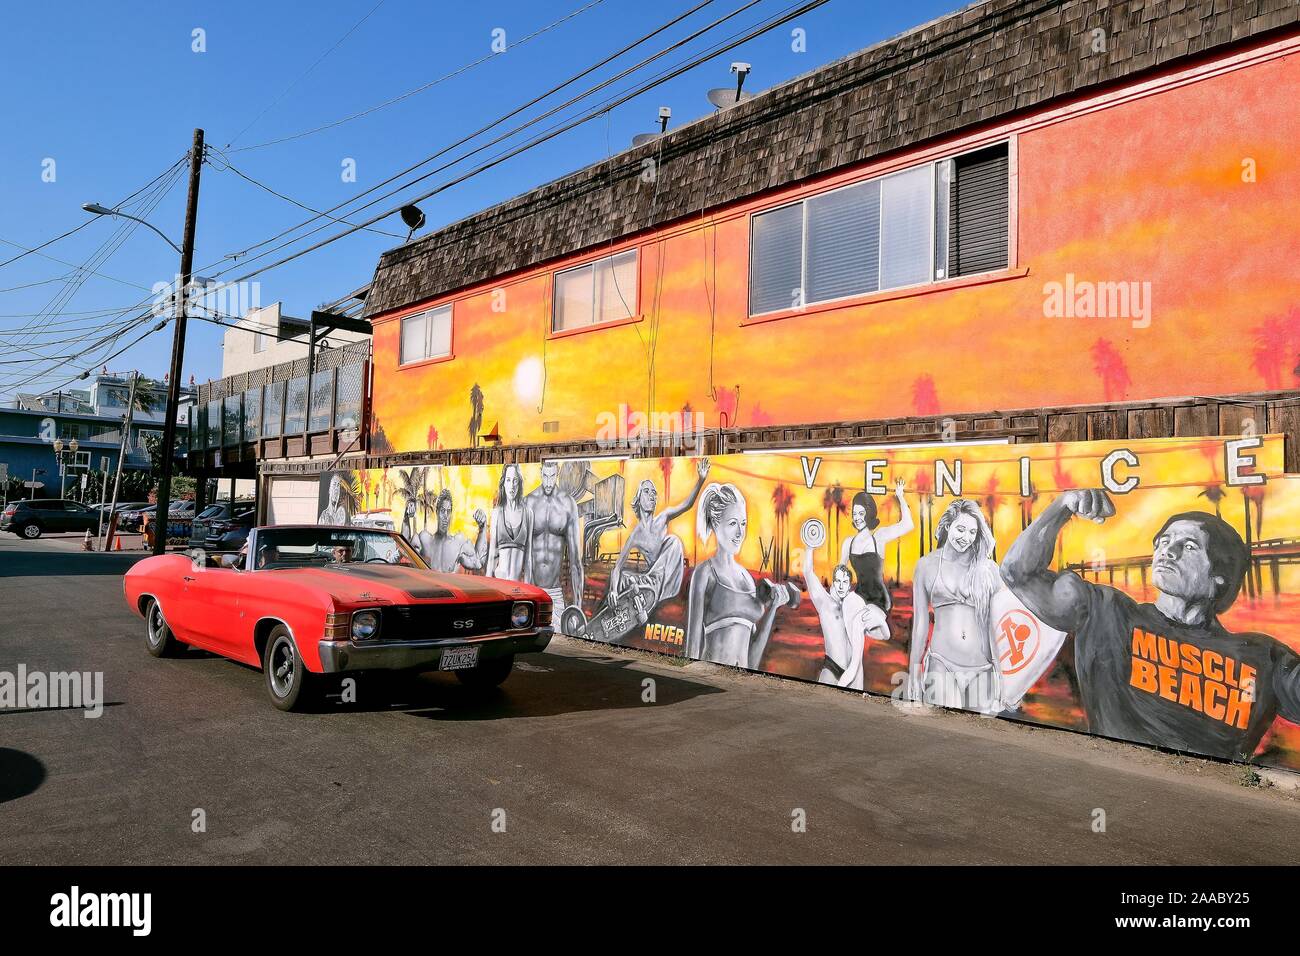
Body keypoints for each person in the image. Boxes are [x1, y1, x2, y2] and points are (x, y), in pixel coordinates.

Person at [1001, 489, 1300, 759]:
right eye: (1165, 541)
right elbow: (1019, 574)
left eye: (1190, 546)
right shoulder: (1107, 612)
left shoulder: (1262, 657)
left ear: (1219, 574)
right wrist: (1062, 505)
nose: (1168, 551)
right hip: (1117, 780)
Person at [685, 483, 799, 669]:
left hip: (740, 683)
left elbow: (752, 658)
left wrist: (773, 608)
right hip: (710, 676)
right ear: (715, 523)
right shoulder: (705, 573)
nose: (740, 533)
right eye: (732, 524)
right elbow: (692, 648)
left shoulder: (748, 580)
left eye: (743, 523)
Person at [909, 499, 1004, 712]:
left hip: (983, 667)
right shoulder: (926, 566)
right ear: (947, 526)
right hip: (942, 663)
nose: (966, 538)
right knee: (943, 732)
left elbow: (1001, 625)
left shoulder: (989, 569)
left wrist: (1005, 675)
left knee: (979, 737)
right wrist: (914, 673)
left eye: (972, 532)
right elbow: (920, 625)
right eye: (960, 529)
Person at [608, 457, 710, 615]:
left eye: (654, 493)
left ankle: (645, 591)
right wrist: (613, 590)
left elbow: (687, 505)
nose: (652, 496)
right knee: (623, 577)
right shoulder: (636, 534)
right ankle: (634, 600)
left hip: (667, 579)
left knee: (673, 541)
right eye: (647, 492)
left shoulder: (663, 517)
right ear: (638, 499)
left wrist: (701, 480)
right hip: (651, 581)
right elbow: (617, 567)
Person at [802, 543, 886, 690]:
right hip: (832, 666)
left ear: (849, 585)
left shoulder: (855, 606)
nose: (841, 586)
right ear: (834, 582)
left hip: (854, 669)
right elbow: (808, 572)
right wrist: (809, 548)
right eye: (838, 581)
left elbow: (880, 635)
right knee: (821, 703)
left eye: (845, 582)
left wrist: (881, 623)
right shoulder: (825, 603)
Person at [840, 479, 912, 614]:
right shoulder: (848, 543)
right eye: (855, 514)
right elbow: (839, 573)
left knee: (863, 621)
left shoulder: (879, 536)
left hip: (878, 600)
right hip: (859, 598)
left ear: (869, 513)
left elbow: (908, 524)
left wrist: (900, 497)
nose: (857, 518)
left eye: (861, 513)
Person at [525, 461, 584, 614]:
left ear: (557, 473)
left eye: (552, 476)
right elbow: (520, 555)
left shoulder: (568, 504)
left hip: (555, 593)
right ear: (540, 473)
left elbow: (575, 562)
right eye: (545, 476)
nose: (549, 482)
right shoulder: (529, 502)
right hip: (531, 590)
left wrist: (577, 608)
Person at [418, 488, 488, 574]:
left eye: (448, 511)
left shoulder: (458, 543)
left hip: (448, 586)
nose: (445, 516)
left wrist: (482, 528)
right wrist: (406, 520)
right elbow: (401, 552)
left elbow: (478, 563)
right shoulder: (425, 540)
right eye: (443, 511)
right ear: (437, 511)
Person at [487, 464, 531, 580]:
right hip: (500, 581)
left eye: (515, 480)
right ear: (504, 484)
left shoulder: (528, 513)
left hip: (516, 585)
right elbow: (492, 554)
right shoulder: (497, 513)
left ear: (519, 483)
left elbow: (528, 558)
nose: (512, 485)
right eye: (508, 480)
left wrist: (527, 587)